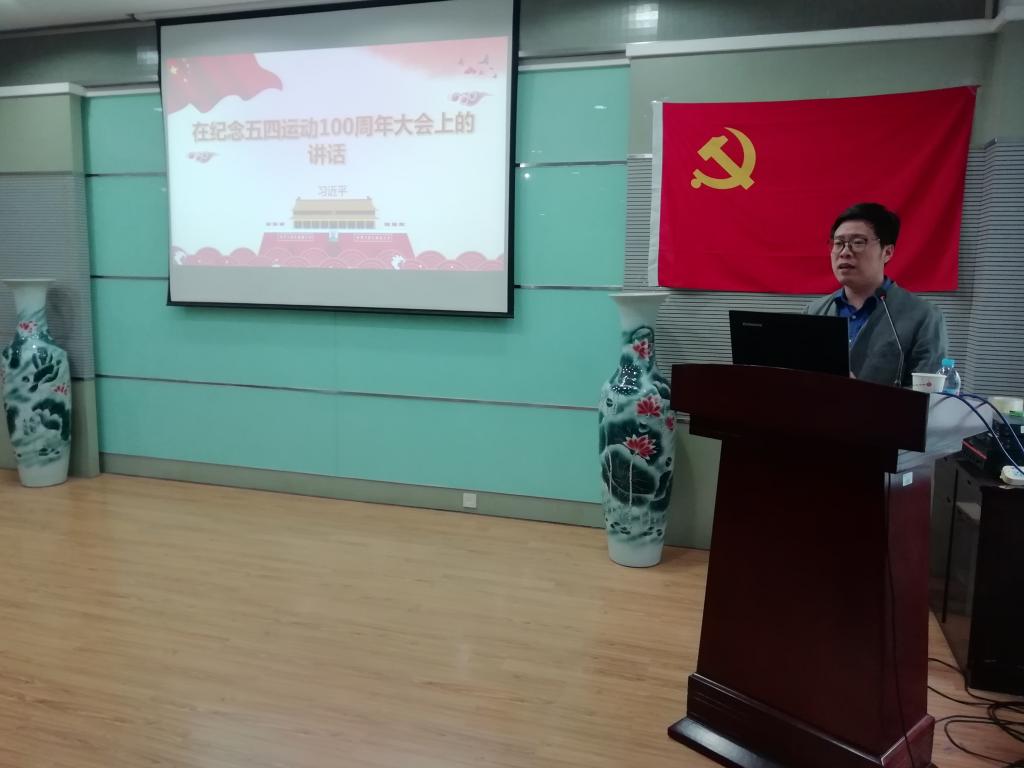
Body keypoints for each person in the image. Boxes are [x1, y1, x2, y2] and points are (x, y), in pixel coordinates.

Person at [805, 202, 948, 386]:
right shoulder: (814, 311)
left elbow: (927, 393)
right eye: (838, 243)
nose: (845, 252)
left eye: (858, 243)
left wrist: (862, 394)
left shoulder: (924, 317)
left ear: (887, 252)